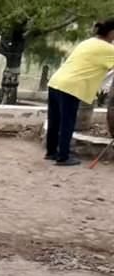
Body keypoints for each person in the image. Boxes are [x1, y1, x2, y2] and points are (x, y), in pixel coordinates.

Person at [46, 19, 114, 166]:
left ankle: (51, 152)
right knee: (67, 122)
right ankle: (63, 157)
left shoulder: (88, 42)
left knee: (55, 121)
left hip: (56, 82)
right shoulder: (108, 49)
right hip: (71, 87)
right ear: (111, 32)